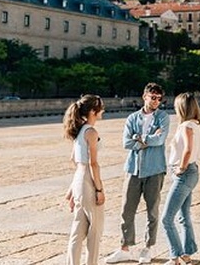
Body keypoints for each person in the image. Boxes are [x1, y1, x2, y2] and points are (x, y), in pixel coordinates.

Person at [106, 83, 170, 264]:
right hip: (133, 169)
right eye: (153, 97)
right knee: (127, 209)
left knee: (153, 211)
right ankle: (124, 247)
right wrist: (145, 140)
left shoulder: (163, 117)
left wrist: (139, 138)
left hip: (155, 169)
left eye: (159, 98)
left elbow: (160, 139)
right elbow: (126, 143)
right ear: (145, 97)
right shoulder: (133, 118)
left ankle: (148, 247)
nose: (156, 101)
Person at [63, 94, 106, 265]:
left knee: (78, 230)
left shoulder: (79, 130)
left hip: (79, 179)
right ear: (94, 111)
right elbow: (93, 163)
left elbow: (74, 160)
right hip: (88, 178)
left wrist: (73, 189)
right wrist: (99, 189)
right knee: (95, 230)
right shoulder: (91, 131)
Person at [161, 93, 200, 265]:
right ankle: (187, 252)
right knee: (183, 216)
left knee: (166, 218)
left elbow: (187, 149)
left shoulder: (186, 125)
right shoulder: (194, 125)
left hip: (184, 173)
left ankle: (175, 256)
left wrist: (181, 168)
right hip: (190, 172)